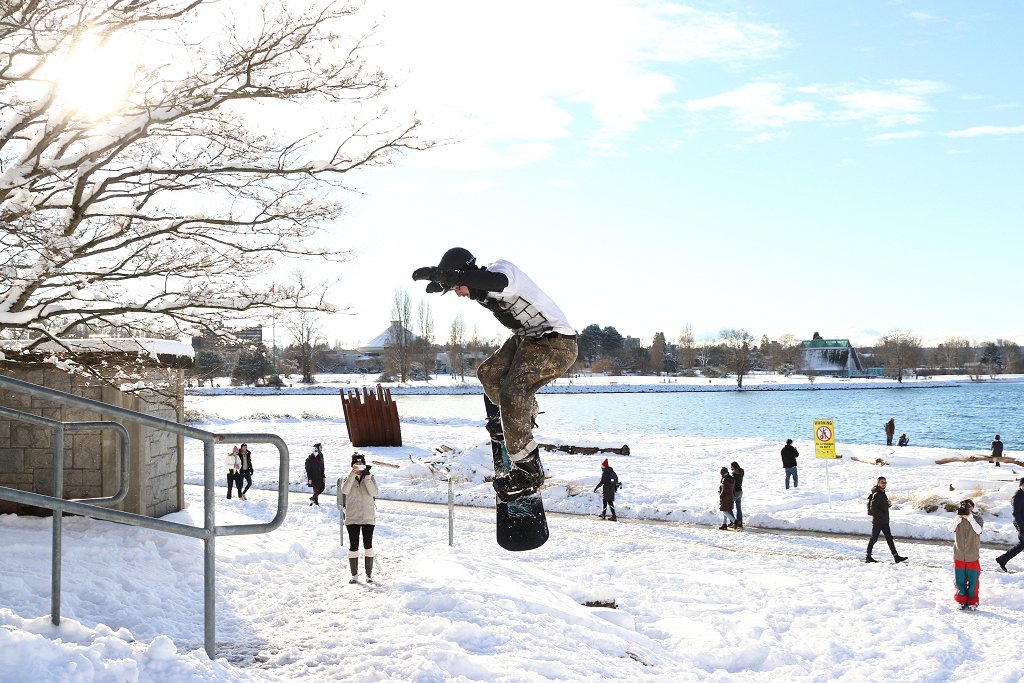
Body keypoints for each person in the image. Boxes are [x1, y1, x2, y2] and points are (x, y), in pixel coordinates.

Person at [413, 248, 577, 500]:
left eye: (457, 287)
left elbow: (494, 282)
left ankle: (528, 470)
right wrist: (445, 278)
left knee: (513, 393)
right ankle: (517, 418)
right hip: (527, 340)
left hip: (556, 343)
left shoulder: (501, 270)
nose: (457, 293)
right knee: (488, 373)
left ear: (466, 274)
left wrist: (451, 275)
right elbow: (480, 286)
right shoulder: (480, 291)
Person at [341, 453, 378, 584]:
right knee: (353, 545)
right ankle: (354, 575)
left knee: (368, 545)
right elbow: (344, 490)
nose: (358, 467)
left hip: (368, 517)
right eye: (355, 464)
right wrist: (352, 474)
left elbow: (374, 493)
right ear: (352, 465)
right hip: (352, 517)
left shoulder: (370, 477)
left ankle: (369, 575)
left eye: (361, 464)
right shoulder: (347, 477)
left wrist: (367, 477)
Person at [947, 499, 983, 610]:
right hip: (959, 555)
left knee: (973, 581)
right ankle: (961, 600)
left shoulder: (977, 519)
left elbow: (978, 531)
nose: (966, 508)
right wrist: (958, 518)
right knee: (959, 581)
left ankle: (973, 602)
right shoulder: (957, 519)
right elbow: (950, 529)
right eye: (963, 505)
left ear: (972, 508)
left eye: (968, 506)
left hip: (972, 555)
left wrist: (970, 518)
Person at [865, 476, 907, 564]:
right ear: (878, 483)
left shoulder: (882, 492)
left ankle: (896, 557)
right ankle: (868, 556)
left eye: (885, 482)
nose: (884, 484)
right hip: (878, 521)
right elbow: (873, 508)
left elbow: (880, 506)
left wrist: (888, 505)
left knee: (889, 538)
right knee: (874, 539)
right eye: (882, 482)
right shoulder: (877, 494)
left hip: (884, 521)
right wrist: (882, 515)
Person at [995, 477, 1024, 572]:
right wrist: (1021, 527)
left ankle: (1002, 559)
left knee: (1022, 544)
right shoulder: (1018, 496)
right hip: (1020, 522)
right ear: (1021, 485)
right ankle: (1002, 559)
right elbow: (1016, 513)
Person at [730, 461, 745, 529]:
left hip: (735, 492)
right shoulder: (742, 472)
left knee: (728, 507)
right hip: (740, 491)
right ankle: (740, 522)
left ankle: (733, 521)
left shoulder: (734, 475)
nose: (731, 469)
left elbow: (732, 484)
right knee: (739, 508)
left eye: (731, 467)